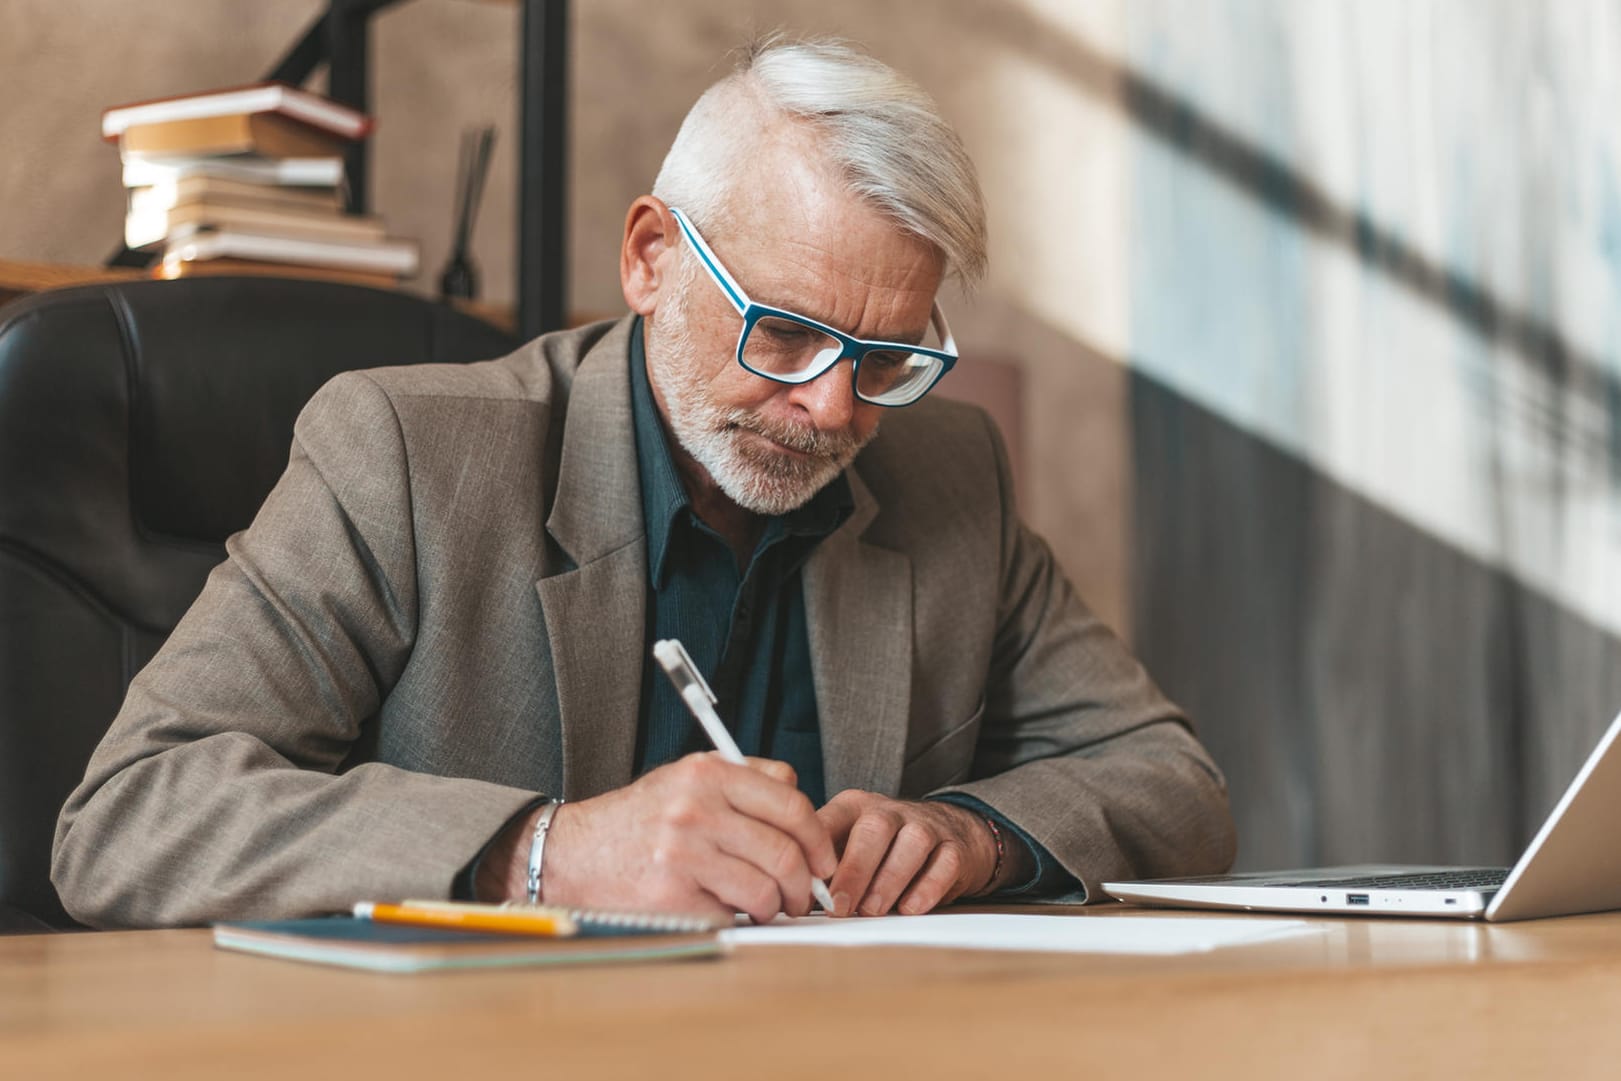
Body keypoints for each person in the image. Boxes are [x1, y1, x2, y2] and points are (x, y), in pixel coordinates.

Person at [52, 37, 1236, 929]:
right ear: (649, 258)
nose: (831, 407)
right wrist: (544, 853)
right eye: (781, 335)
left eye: (884, 358)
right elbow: (131, 815)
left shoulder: (948, 469)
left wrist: (969, 837)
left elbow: (1173, 783)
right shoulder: (407, 456)